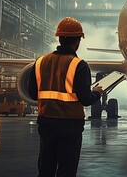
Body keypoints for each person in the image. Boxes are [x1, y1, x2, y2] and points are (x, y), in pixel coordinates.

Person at [28, 16, 104, 177]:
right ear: (77, 41)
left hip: (46, 122)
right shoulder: (79, 65)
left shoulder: (40, 62)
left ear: (60, 38)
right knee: (66, 169)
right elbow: (85, 99)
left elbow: (33, 94)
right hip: (70, 125)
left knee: (45, 168)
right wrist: (96, 93)